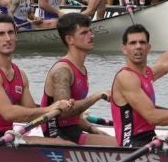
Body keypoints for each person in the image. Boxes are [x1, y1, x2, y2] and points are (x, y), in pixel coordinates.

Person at [0, 14, 65, 141]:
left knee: (62, 143)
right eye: (1, 34)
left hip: (6, 137)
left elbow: (32, 114)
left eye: (11, 33)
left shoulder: (20, 74)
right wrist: (50, 108)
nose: (7, 38)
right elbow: (9, 113)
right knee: (62, 146)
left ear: (16, 36)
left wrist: (60, 108)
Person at [40, 12, 113, 144]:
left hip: (72, 130)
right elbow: (65, 112)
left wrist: (91, 128)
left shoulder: (81, 68)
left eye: (90, 31)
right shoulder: (63, 71)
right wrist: (96, 96)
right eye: (84, 33)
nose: (91, 36)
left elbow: (73, 118)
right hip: (56, 133)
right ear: (69, 39)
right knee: (119, 145)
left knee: (118, 141)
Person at [110, 22, 168, 147]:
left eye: (142, 42)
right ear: (124, 49)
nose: (138, 46)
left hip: (148, 138)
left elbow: (164, 65)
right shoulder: (126, 77)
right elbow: (152, 117)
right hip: (131, 145)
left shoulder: (146, 74)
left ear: (149, 47)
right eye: (133, 43)